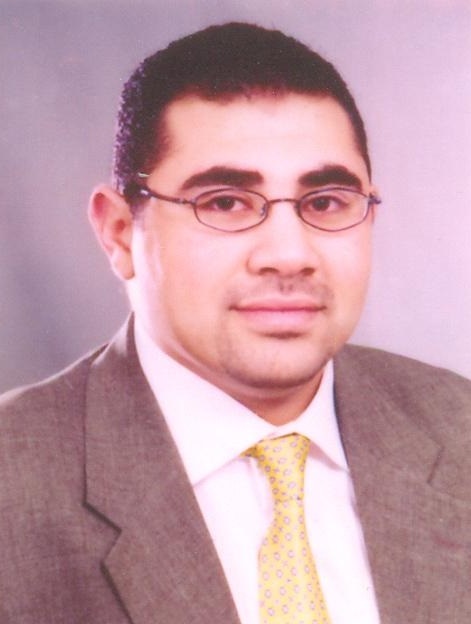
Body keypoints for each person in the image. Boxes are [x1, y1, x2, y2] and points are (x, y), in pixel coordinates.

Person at [0, 22, 469, 624]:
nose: (289, 255)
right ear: (119, 234)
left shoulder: (458, 428)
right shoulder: (15, 481)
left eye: (325, 202)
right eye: (224, 202)